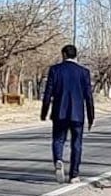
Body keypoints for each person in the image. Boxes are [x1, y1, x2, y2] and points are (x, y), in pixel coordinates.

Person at [40, 44, 95, 184]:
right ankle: (74, 175)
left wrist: (44, 112)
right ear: (76, 55)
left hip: (59, 112)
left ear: (64, 54)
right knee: (77, 143)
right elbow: (89, 96)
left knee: (58, 140)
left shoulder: (55, 70)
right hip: (77, 114)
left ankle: (58, 159)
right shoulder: (84, 72)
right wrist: (91, 116)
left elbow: (48, 93)